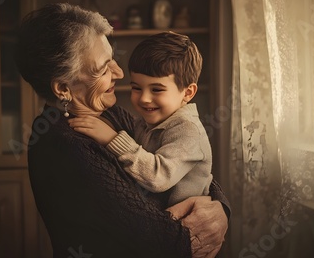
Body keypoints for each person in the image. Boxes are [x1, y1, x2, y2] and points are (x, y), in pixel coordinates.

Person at [16, 3, 229, 258]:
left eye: (113, 59)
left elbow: (182, 164)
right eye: (103, 68)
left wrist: (221, 209)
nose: (118, 72)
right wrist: (211, 213)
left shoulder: (108, 113)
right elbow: (161, 240)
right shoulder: (64, 147)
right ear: (63, 88)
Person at [68, 31, 212, 208]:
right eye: (136, 88)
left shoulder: (188, 131)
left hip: (186, 227)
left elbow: (158, 177)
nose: (144, 98)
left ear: (188, 92)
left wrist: (112, 139)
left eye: (157, 90)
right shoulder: (145, 122)